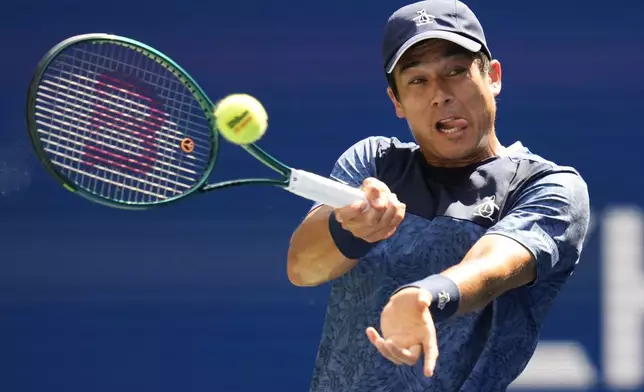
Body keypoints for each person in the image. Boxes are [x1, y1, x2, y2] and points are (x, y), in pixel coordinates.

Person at [286, 0, 591, 390]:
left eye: (456, 72)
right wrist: (352, 229)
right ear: (396, 101)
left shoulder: (548, 186)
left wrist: (426, 296)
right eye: (418, 80)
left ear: (492, 77)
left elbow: (491, 268)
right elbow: (303, 268)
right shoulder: (374, 163)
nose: (441, 94)